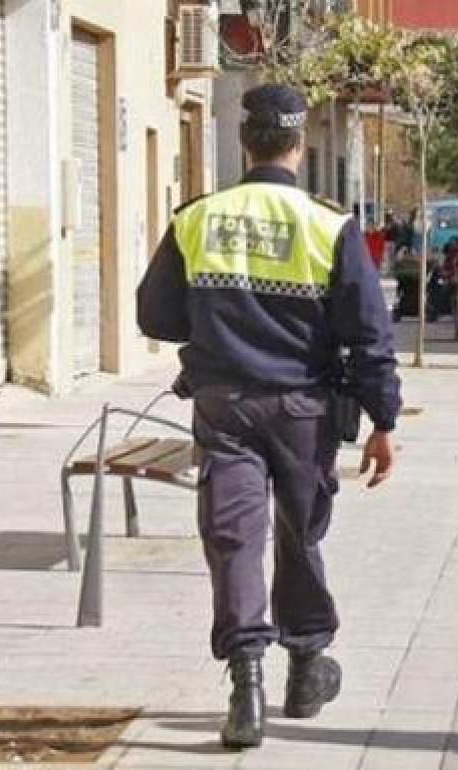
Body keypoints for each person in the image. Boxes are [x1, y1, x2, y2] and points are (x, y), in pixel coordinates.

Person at [136, 84, 402, 750]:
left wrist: (216, 326)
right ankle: (307, 666)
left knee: (233, 539)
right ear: (298, 144)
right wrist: (383, 420)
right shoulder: (328, 224)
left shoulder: (198, 218)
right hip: (304, 409)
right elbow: (370, 334)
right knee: (299, 534)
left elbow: (154, 314)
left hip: (223, 406)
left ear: (243, 141)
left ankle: (246, 684)